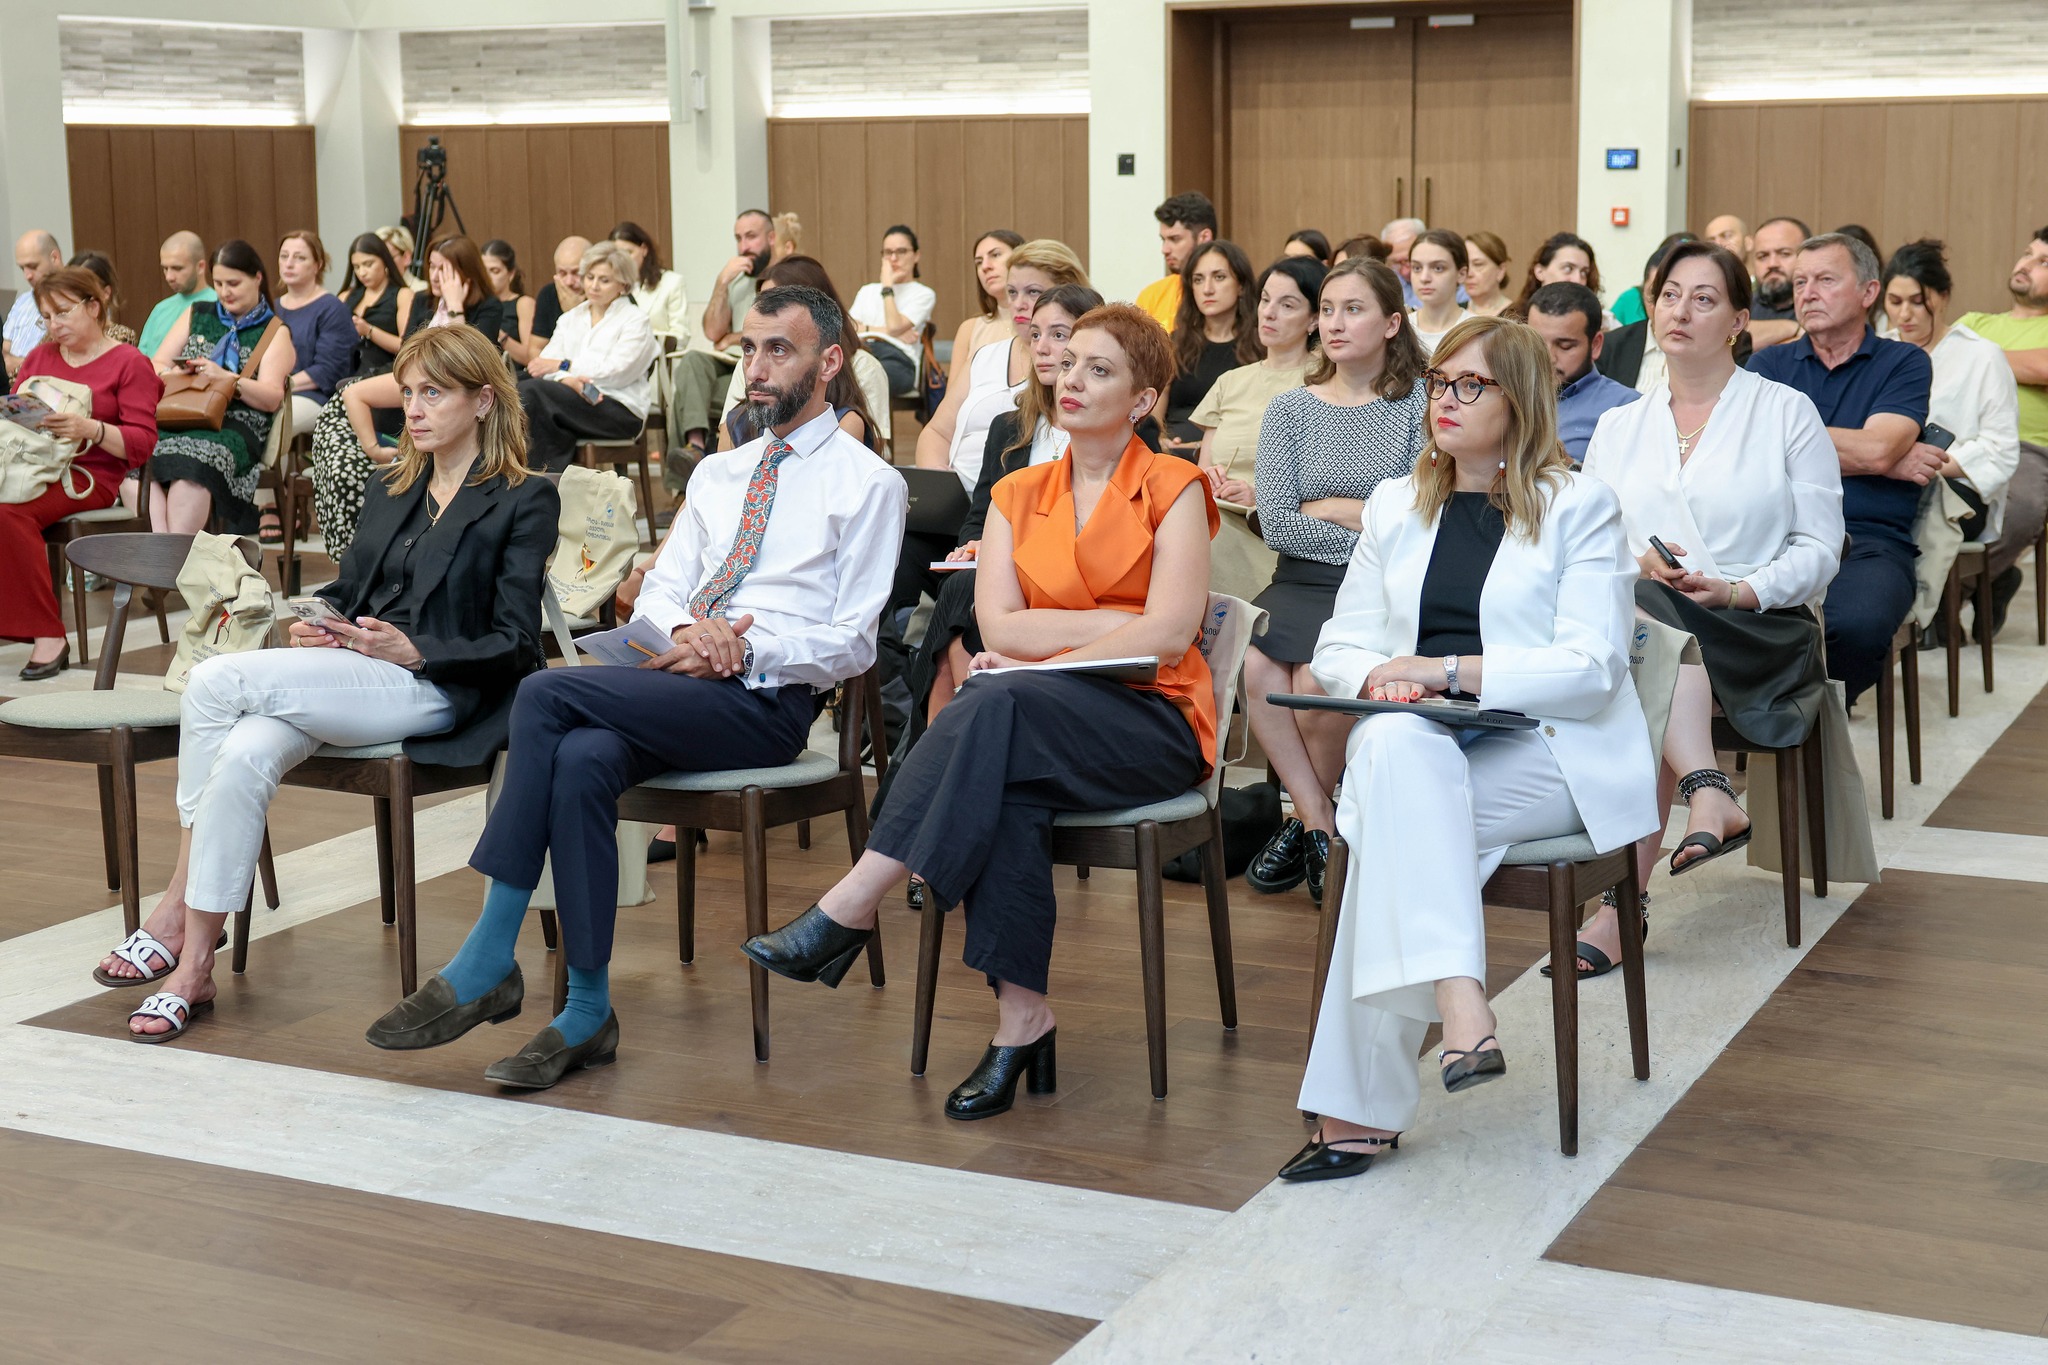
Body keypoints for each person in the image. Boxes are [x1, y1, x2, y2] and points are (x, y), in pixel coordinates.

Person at [366, 285, 905, 1088]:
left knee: (544, 694)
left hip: (766, 703)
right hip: (674, 677)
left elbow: (854, 640)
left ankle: (489, 953)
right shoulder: (720, 473)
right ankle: (587, 1011)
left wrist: (741, 650)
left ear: (829, 362)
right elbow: (658, 591)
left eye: (778, 350)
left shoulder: (868, 483)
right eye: (748, 349)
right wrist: (689, 632)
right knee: (583, 759)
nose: (756, 368)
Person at [742, 303, 1216, 1123]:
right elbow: (998, 628)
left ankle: (854, 902)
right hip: (1037, 718)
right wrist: (1113, 621)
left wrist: (1056, 643)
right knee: (1004, 776)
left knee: (995, 699)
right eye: (1069, 362)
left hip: (1152, 720)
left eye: (1099, 369)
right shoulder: (1015, 490)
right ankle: (1021, 1020)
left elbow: (1171, 633)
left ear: (1142, 400)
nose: (1071, 378)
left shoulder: (1174, 485)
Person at [102, 325, 560, 1041]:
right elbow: (350, 588)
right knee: (243, 753)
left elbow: (518, 642)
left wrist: (417, 651)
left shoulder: (523, 498)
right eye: (407, 392)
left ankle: (173, 905)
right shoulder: (393, 484)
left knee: (215, 682)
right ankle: (194, 965)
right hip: (355, 672)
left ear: (482, 401)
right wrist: (321, 620)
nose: (412, 409)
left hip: (440, 689)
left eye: (433, 393)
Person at [1280, 315, 1657, 1182]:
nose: (1443, 400)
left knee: (1389, 825)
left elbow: (1592, 668)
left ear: (1518, 398)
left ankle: (1358, 1111)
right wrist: (1383, 678)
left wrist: (1446, 671)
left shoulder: (1580, 505)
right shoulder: (1395, 503)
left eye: (1469, 385)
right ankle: (1461, 1003)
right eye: (1437, 383)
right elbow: (1340, 642)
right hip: (1424, 743)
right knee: (1395, 749)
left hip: (1552, 751)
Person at [1576, 242, 1842, 979]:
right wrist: (1640, 564)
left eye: (1703, 298)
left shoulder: (1785, 412)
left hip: (1760, 624)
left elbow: (1822, 548)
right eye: (1669, 295)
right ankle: (1707, 788)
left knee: (1643, 654)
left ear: (1738, 320)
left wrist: (1735, 590)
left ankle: (1619, 905)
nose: (1681, 311)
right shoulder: (1620, 425)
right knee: (1649, 632)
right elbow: (1589, 545)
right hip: (1647, 622)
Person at [1242, 258, 1429, 904]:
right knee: (1257, 667)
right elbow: (1278, 524)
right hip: (1298, 579)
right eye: (1327, 310)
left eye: (1353, 309)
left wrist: (1335, 512)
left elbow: (1415, 517)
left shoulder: (1419, 405)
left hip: (1382, 584)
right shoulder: (1291, 409)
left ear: (1392, 323)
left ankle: (1305, 825)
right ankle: (1321, 822)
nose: (1335, 323)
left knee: (1316, 684)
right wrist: (1368, 515)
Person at [899, 284, 1103, 784]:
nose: (1044, 348)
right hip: (1002, 583)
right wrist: (976, 542)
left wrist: (1003, 547)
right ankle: (953, 762)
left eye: (1060, 335)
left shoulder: (1110, 429)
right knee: (962, 589)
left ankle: (928, 765)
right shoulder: (1009, 427)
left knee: (960, 606)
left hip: (1069, 584)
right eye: (1036, 335)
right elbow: (979, 515)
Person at [1749, 232, 1935, 706]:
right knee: (1725, 615)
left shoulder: (1904, 361)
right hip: (1775, 534)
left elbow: (1877, 450)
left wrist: (1791, 446)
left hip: (1868, 540)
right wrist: (1881, 459)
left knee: (1854, 626)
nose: (1807, 293)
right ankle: (1779, 720)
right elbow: (1747, 453)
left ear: (1869, 292)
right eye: (1800, 282)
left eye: (1825, 280)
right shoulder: (1769, 364)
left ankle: (1808, 721)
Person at [1, 267, 161, 679]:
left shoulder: (129, 363)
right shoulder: (41, 356)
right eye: (46, 317)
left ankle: (49, 636)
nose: (54, 325)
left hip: (90, 475)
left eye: (63, 312)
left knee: (9, 512)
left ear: (94, 306)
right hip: (32, 462)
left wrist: (90, 428)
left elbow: (142, 444)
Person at [1193, 256, 1325, 601]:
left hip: (1271, 532)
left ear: (1314, 319)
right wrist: (1210, 480)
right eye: (1265, 300)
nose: (1268, 313)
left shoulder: (1327, 385)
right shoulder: (1231, 381)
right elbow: (1201, 472)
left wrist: (1260, 496)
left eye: (1287, 305)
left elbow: (1329, 483)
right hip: (1214, 518)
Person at [147, 238, 297, 536]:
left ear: (257, 278)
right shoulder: (198, 312)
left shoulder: (274, 331)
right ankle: (165, 549)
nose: (225, 292)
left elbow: (271, 398)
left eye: (233, 283)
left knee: (195, 462)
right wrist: (174, 371)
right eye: (218, 284)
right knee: (137, 455)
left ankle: (170, 552)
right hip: (183, 413)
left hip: (237, 421)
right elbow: (157, 362)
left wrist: (229, 380)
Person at [916, 239, 1090, 491]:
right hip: (955, 494)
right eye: (1012, 292)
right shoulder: (985, 356)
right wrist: (939, 486)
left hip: (1015, 498)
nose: (1018, 303)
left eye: (1033, 292)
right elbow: (937, 432)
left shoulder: (1072, 369)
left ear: (1067, 292)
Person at [1883, 240, 2020, 553]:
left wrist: (1921, 466)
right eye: (1894, 301)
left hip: (1955, 486)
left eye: (1918, 301)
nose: (1904, 314)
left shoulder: (1982, 355)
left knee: (1894, 517)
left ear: (1943, 296)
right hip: (1885, 476)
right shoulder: (1879, 351)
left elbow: (2000, 449)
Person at [1956, 227, 2048, 639]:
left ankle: (1951, 595)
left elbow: (2043, 367)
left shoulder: (1975, 338)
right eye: (2027, 253)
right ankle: (1994, 581)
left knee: (2022, 511)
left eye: (2044, 262)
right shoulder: (1976, 322)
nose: (2026, 264)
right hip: (1962, 439)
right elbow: (1938, 359)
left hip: (2030, 449)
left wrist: (1978, 357)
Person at [305, 233, 419, 563]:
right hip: (348, 378)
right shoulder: (346, 297)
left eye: (369, 264)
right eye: (356, 266)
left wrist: (368, 330)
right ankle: (347, 550)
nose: (363, 272)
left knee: (341, 443)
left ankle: (354, 549)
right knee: (337, 461)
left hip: (387, 378)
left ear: (385, 262)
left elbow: (407, 346)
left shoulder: (402, 295)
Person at [717, 254, 888, 454]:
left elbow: (867, 457)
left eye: (778, 350)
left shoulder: (863, 370)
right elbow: (726, 454)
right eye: (763, 300)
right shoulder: (747, 379)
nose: (754, 372)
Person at [517, 240, 660, 473]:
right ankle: (542, 480)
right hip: (572, 399)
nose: (594, 286)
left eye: (604, 280)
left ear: (623, 284)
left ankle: (536, 481)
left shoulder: (635, 320)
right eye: (589, 277)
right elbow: (543, 365)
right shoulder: (570, 318)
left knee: (532, 392)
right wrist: (568, 380)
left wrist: (564, 366)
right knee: (516, 383)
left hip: (617, 407)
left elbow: (617, 372)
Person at [672, 210, 777, 457]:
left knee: (683, 398)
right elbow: (712, 331)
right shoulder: (736, 282)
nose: (744, 246)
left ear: (771, 238)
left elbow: (775, 331)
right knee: (692, 361)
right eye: (738, 238)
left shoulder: (781, 280)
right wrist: (722, 281)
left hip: (761, 367)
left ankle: (690, 465)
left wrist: (731, 338)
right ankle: (695, 447)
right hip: (728, 364)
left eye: (751, 237)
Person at [1158, 239, 1261, 452]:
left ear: (1241, 285)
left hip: (1232, 455)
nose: (1207, 289)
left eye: (1219, 277)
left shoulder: (1260, 345)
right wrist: (1159, 439)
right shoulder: (1175, 342)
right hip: (1171, 453)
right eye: (1198, 280)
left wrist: (1200, 446)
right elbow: (1154, 407)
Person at [1527, 282, 1640, 462]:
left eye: (1565, 346)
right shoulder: (1503, 392)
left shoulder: (1627, 407)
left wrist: (1570, 466)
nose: (1548, 357)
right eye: (1536, 343)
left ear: (1595, 345)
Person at [1598, 233, 1709, 392]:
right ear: (1642, 292)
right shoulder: (1612, 346)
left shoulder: (1715, 345)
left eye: (1671, 294)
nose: (1662, 306)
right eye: (1654, 293)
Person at [849, 225, 937, 398]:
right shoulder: (867, 291)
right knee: (837, 374)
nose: (894, 258)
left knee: (869, 379)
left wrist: (887, 286)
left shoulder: (923, 294)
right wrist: (887, 332)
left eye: (901, 251)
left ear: (916, 255)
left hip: (897, 358)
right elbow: (848, 329)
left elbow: (895, 326)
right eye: (888, 252)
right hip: (861, 350)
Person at [942, 229, 1025, 400]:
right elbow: (951, 401)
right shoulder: (969, 329)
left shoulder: (1043, 324)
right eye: (979, 262)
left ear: (1021, 259)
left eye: (995, 255)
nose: (985, 266)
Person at [1135, 192, 1218, 330]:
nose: (1165, 249)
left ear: (1204, 237)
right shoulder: (1151, 296)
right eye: (1163, 240)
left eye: (1175, 239)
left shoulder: (1227, 294)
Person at [609, 219, 688, 342]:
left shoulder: (671, 282)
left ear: (644, 249)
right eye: (618, 255)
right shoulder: (609, 286)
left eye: (628, 252)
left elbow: (681, 335)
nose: (624, 260)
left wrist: (643, 342)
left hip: (658, 352)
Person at [138, 231, 214, 360]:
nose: (169, 277)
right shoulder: (160, 309)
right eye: (165, 268)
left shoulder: (218, 305)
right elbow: (142, 360)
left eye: (177, 268)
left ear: (200, 267)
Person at [5, 230, 63, 380]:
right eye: (22, 268)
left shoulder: (77, 301)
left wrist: (19, 364)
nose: (27, 275)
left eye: (33, 266)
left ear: (55, 258)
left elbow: (64, 363)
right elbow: (3, 354)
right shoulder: (22, 302)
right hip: (12, 387)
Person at [1745, 217, 1808, 349]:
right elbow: (1728, 338)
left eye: (1784, 254)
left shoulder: (1822, 305)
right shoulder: (1741, 305)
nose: (1772, 264)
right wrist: (1794, 328)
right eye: (1763, 256)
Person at [1406, 229, 1471, 354]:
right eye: (1417, 268)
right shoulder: (1399, 329)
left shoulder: (1478, 332)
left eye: (1438, 268)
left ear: (1461, 274)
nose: (1424, 278)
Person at [1509, 232, 1600, 319]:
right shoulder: (1513, 322)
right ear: (1540, 272)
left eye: (1584, 272)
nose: (1578, 280)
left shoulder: (1601, 322)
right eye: (1568, 269)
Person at [529, 235, 590, 352]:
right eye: (562, 273)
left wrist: (574, 312)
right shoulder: (548, 294)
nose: (569, 282)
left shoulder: (601, 296)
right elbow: (535, 348)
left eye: (576, 273)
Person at [482, 239, 538, 365]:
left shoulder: (523, 303)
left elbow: (531, 357)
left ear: (511, 274)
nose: (487, 277)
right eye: (483, 271)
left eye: (494, 271)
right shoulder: (477, 305)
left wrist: (497, 332)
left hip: (515, 372)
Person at [65, 251, 139, 346]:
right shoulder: (60, 334)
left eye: (85, 290)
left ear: (106, 293)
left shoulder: (122, 336)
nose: (76, 299)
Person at [1462, 231, 1513, 318]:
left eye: (1478, 264)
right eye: (1465, 265)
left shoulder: (1518, 315)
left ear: (1500, 270)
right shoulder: (1453, 313)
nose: (1469, 274)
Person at [1380, 217, 1425, 306]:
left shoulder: (1444, 280)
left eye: (1408, 261)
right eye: (1396, 263)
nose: (1405, 272)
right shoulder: (1384, 282)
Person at [377, 224, 427, 291]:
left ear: (406, 257)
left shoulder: (421, 290)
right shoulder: (371, 291)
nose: (382, 264)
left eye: (388, 258)